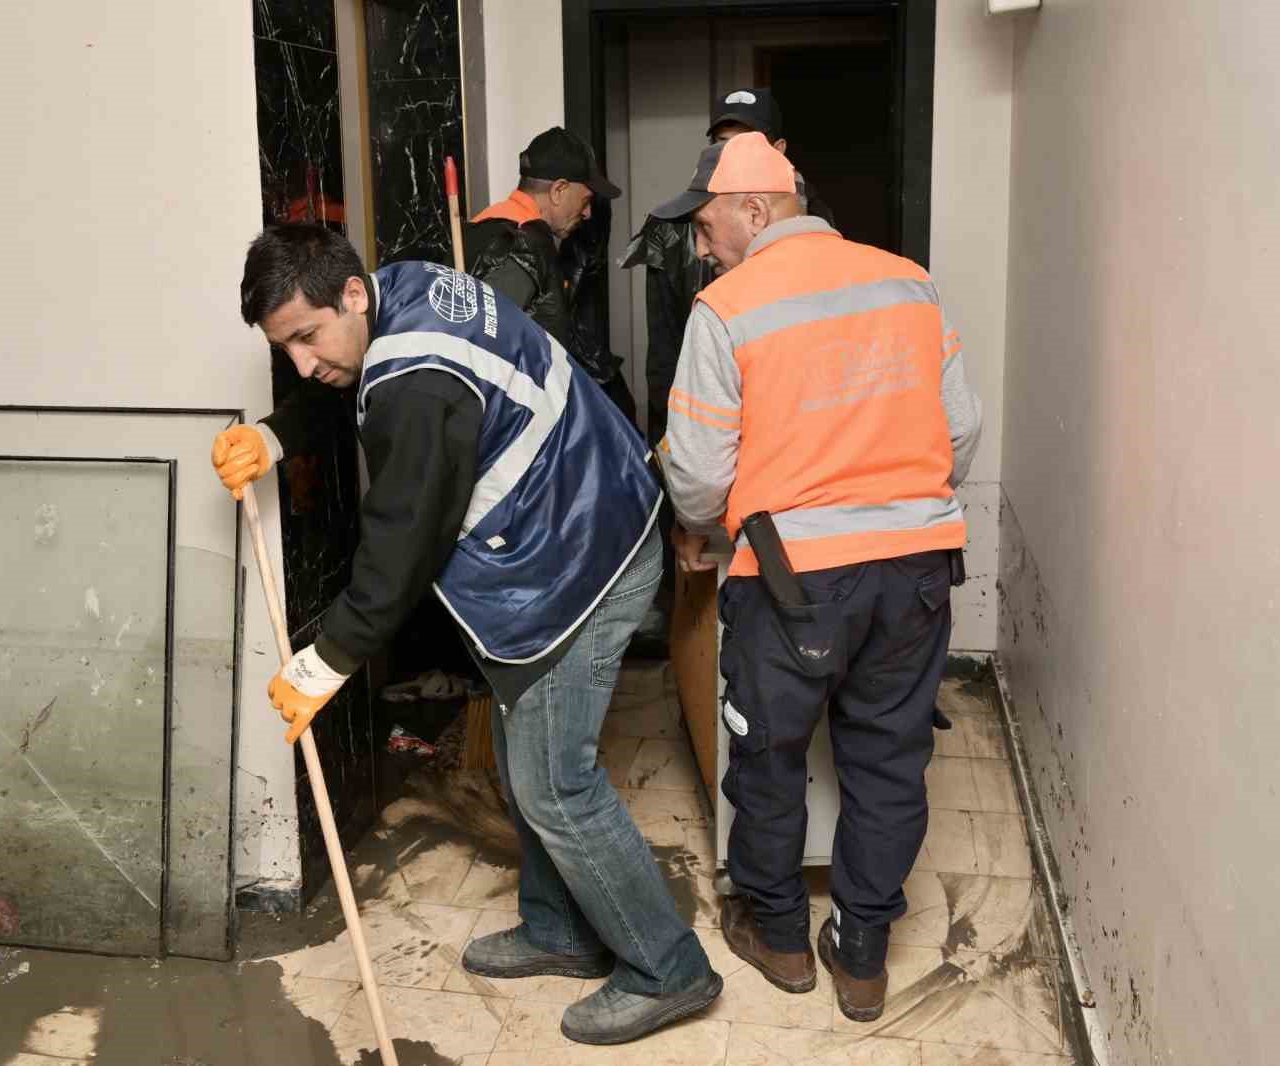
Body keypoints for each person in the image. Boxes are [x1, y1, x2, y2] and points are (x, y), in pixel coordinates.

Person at [210, 223, 720, 1045]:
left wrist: (325, 661)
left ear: (347, 294)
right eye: (286, 350)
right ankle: (559, 930)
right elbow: (355, 381)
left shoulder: (418, 381)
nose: (306, 363)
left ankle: (671, 970)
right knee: (529, 771)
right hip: (592, 513)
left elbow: (401, 541)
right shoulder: (398, 285)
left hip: (580, 565)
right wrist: (280, 434)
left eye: (307, 338)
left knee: (558, 786)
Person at [651, 134, 982, 1019]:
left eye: (708, 223)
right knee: (888, 757)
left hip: (793, 578)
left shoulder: (726, 308)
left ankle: (782, 936)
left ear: (757, 210)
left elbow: (695, 476)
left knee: (768, 754)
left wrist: (709, 530)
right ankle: (863, 953)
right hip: (916, 570)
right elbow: (960, 432)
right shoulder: (908, 281)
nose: (701, 242)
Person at [621, 88, 834, 640]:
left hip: (793, 485)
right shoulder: (680, 233)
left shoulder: (820, 230)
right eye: (719, 143)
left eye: (745, 144)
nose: (702, 250)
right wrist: (673, 446)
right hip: (715, 445)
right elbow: (664, 354)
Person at [465, 126, 636, 422]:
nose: (587, 214)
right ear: (558, 191)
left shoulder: (479, 228)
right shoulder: (525, 245)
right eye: (585, 201)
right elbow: (486, 345)